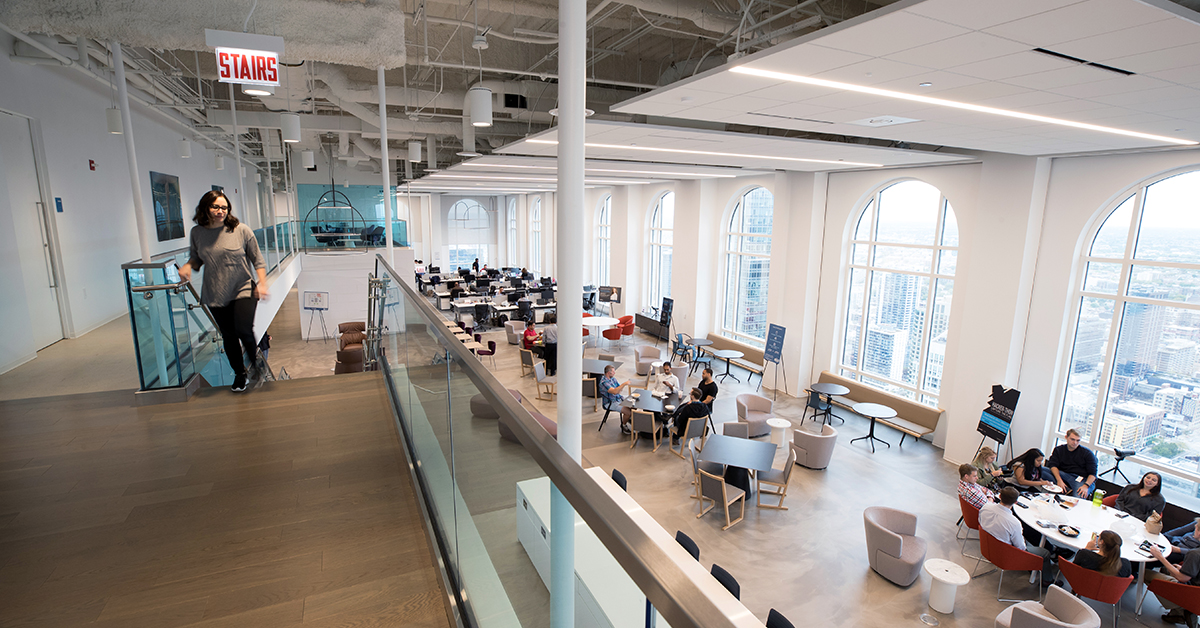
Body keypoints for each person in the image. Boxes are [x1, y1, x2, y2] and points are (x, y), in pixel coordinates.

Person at [178, 191, 267, 393]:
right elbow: (197, 258)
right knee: (228, 336)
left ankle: (256, 365)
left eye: (224, 208)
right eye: (216, 207)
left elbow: (258, 259)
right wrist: (187, 266)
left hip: (243, 287)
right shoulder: (197, 233)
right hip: (215, 291)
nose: (220, 211)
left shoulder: (241, 230)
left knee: (244, 329)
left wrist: (262, 283)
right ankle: (239, 373)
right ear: (205, 208)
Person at [979, 487, 1057, 587]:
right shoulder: (1014, 523)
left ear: (999, 496)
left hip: (988, 545)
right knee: (1045, 553)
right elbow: (1021, 548)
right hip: (1005, 554)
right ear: (1016, 502)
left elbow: (981, 522)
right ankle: (1048, 581)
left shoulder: (985, 507)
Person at [1146, 542, 1200, 627]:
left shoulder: (1195, 553)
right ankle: (1179, 613)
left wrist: (1160, 556)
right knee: (1166, 569)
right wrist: (1185, 570)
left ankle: (1182, 609)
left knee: (1143, 573)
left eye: (1196, 528)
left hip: (1189, 593)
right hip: (1196, 594)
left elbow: (1182, 578)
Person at [1048, 428, 1098, 498]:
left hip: (1082, 479)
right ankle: (1063, 490)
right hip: (1063, 474)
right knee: (1042, 470)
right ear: (1066, 437)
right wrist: (1059, 480)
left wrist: (1085, 486)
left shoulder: (1087, 453)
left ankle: (1065, 492)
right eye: (1072, 439)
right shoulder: (1059, 450)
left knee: (1079, 496)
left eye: (1078, 440)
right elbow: (1053, 465)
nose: (1075, 443)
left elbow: (1093, 474)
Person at [599, 365, 634, 434]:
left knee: (633, 404)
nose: (614, 373)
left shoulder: (613, 379)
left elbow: (618, 390)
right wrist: (624, 384)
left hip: (618, 398)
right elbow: (615, 391)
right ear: (609, 373)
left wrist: (617, 390)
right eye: (613, 371)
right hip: (610, 402)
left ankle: (628, 418)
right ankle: (623, 425)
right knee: (628, 412)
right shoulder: (604, 383)